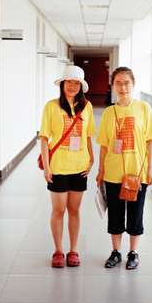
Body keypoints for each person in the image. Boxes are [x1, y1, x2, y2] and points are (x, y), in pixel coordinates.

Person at [96, 67, 152, 270]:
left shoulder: (144, 108)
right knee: (114, 213)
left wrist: (151, 168)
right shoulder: (108, 113)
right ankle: (115, 252)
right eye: (118, 83)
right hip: (113, 171)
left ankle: (133, 252)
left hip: (137, 172)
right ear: (112, 85)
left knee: (135, 213)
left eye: (126, 82)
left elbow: (151, 140)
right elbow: (104, 145)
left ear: (133, 84)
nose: (122, 87)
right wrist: (100, 170)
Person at [39, 65, 95, 268]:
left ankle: (73, 250)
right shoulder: (51, 106)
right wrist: (46, 166)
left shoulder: (86, 107)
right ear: (62, 84)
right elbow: (44, 139)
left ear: (81, 86)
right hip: (58, 167)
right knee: (58, 209)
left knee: (74, 209)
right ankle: (58, 251)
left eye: (76, 83)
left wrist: (91, 158)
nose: (72, 86)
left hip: (79, 166)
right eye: (69, 82)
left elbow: (88, 135)